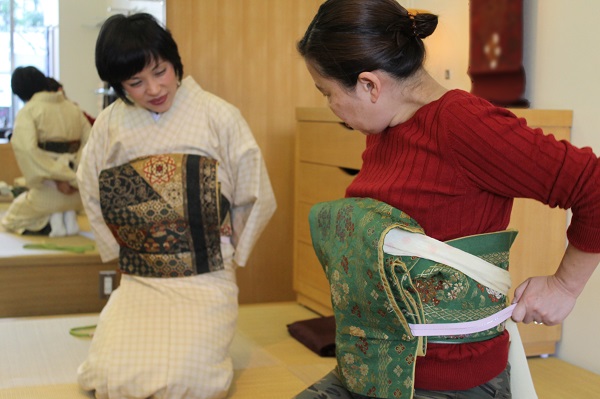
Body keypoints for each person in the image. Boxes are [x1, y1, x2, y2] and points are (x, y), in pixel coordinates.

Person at [295, 0, 600, 398]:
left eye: (327, 93)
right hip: (372, 369)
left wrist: (563, 287)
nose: (330, 107)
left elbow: (593, 184)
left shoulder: (463, 125)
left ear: (370, 85)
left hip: (446, 384)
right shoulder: (384, 130)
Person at [75, 12, 276, 399]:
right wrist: (119, 247)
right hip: (142, 276)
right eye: (135, 82)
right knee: (107, 378)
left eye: (160, 71)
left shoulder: (218, 116)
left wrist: (233, 243)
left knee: (193, 383)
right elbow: (89, 188)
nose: (153, 88)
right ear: (118, 86)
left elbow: (255, 190)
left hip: (203, 274)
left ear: (174, 62)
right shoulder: (109, 125)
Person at [1, 66, 91, 237]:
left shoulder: (28, 112)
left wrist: (60, 177)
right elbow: (91, 144)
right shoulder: (73, 109)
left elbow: (27, 150)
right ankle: (65, 217)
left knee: (10, 220)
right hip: (77, 194)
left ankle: (51, 222)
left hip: (50, 191)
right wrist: (75, 176)